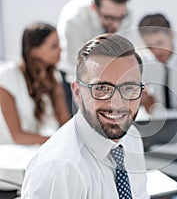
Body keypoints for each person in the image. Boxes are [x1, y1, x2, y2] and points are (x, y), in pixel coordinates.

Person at [21, 34, 149, 198]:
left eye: (128, 88)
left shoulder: (132, 137)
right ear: (77, 92)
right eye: (102, 88)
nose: (117, 103)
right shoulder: (59, 168)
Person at [57, 0, 132, 114]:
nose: (117, 25)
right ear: (94, 8)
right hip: (71, 75)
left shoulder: (126, 15)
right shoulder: (73, 20)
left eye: (120, 18)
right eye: (109, 18)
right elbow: (75, 68)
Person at [0, 22, 70, 145]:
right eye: (54, 46)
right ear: (34, 52)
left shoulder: (54, 76)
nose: (61, 49)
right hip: (12, 151)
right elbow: (17, 136)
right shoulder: (7, 77)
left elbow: (65, 122)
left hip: (40, 147)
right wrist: (58, 142)